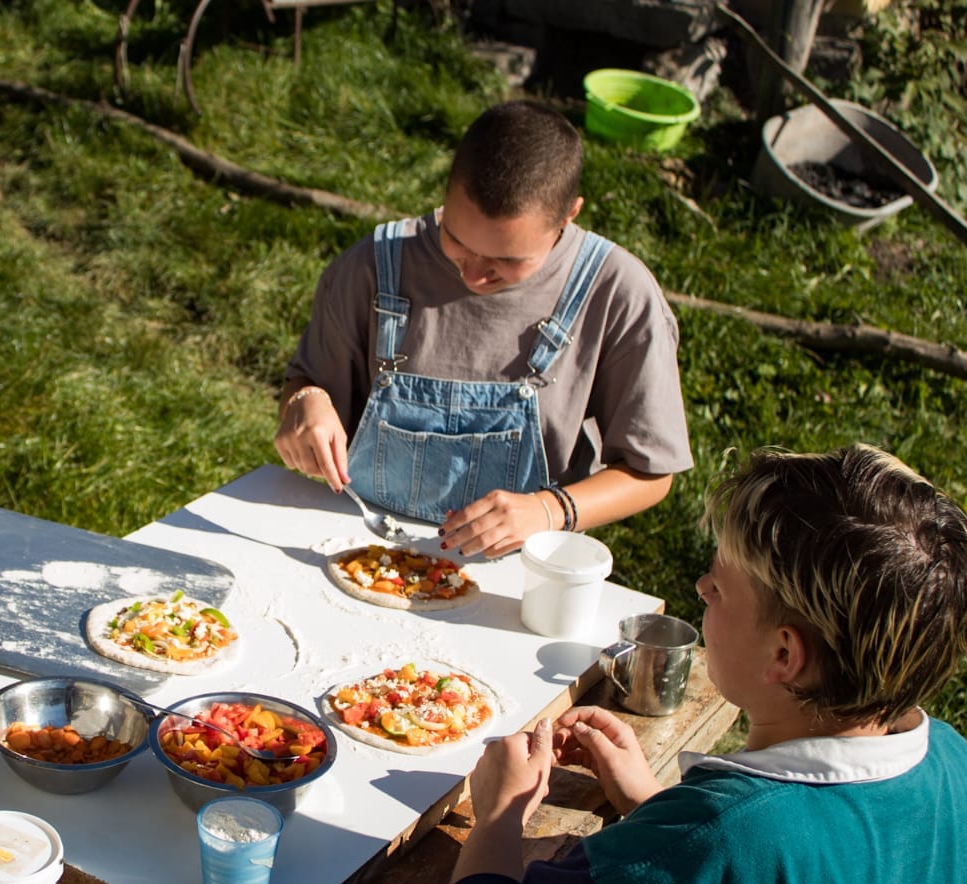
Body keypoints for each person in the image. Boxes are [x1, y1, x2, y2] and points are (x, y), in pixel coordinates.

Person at [435, 444, 967, 884]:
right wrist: (658, 808)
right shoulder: (965, 777)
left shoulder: (718, 852)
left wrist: (497, 815)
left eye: (720, 585)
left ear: (783, 656)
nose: (701, 585)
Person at [274, 100, 691, 559]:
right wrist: (304, 402)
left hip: (519, 567)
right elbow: (307, 383)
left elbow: (651, 473)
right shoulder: (375, 266)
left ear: (569, 215)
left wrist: (549, 511)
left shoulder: (617, 293)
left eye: (506, 262)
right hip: (356, 546)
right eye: (456, 240)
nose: (473, 276)